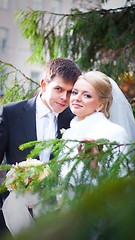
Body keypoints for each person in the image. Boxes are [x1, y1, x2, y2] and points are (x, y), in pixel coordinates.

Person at [0, 58, 81, 236]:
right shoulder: (10, 113)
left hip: (55, 214)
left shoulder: (74, 120)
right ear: (44, 84)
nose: (64, 98)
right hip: (13, 211)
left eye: (70, 92)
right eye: (59, 89)